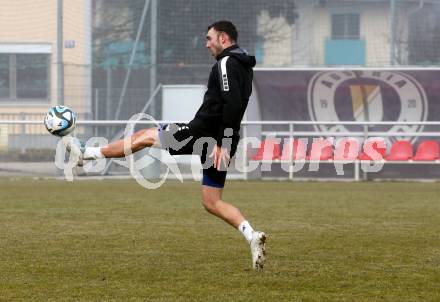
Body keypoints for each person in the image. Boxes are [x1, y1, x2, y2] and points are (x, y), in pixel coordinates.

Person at [64, 20, 266, 270]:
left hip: (205, 134)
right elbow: (234, 105)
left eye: (209, 38)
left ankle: (86, 154)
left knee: (146, 136)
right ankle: (252, 235)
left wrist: (222, 143)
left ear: (223, 38)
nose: (206, 44)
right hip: (221, 139)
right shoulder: (243, 62)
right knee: (211, 201)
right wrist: (227, 142)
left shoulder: (226, 63)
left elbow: (232, 103)